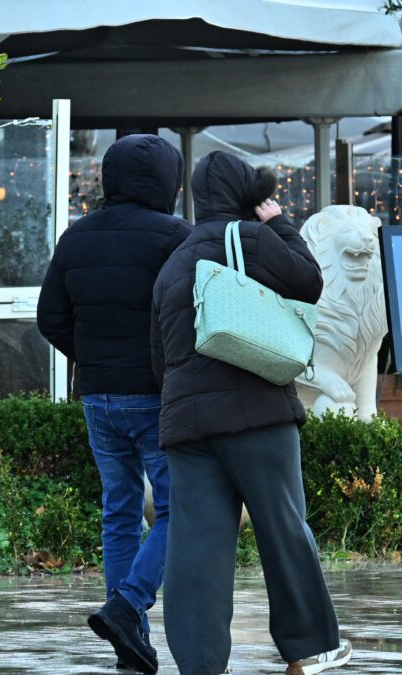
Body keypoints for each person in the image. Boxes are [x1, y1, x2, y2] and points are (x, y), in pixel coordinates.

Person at [151, 151, 353, 675]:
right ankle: (310, 648)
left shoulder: (174, 261)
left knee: (195, 546)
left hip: (187, 425)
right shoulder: (251, 238)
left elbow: (160, 356)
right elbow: (308, 282)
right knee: (283, 526)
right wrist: (280, 223)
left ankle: (199, 664)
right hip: (257, 412)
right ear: (247, 193)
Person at [38, 133, 191, 674]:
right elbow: (192, 314)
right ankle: (128, 605)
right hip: (155, 397)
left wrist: (94, 358)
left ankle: (130, 642)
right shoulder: (175, 237)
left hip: (98, 397)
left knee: (120, 509)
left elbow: (50, 318)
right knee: (179, 509)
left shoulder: (75, 237)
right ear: (169, 181)